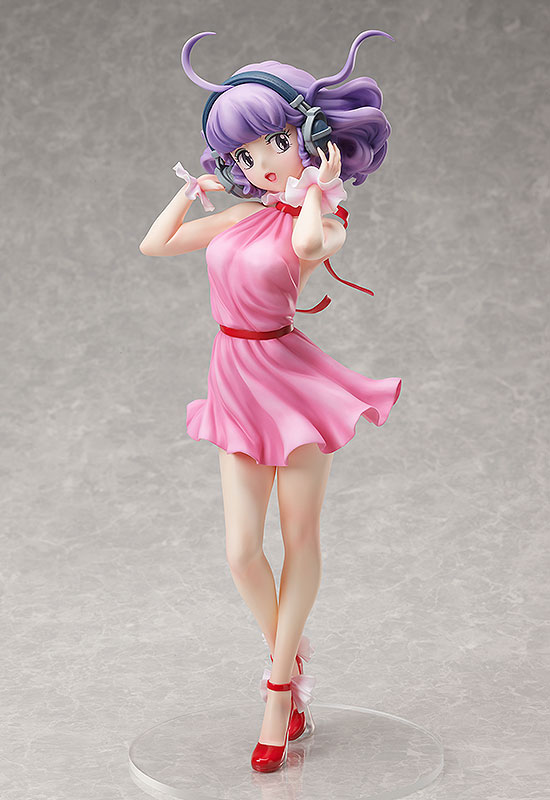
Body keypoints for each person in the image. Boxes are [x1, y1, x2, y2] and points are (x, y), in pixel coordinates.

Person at [139, 29, 402, 772]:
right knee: (240, 552)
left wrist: (315, 187)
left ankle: (279, 691)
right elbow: (156, 245)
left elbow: (312, 248)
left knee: (299, 539)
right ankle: (291, 651)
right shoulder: (241, 215)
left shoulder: (323, 219)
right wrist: (189, 192)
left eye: (276, 143)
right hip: (233, 375)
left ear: (308, 140)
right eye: (245, 152)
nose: (260, 162)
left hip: (290, 380)